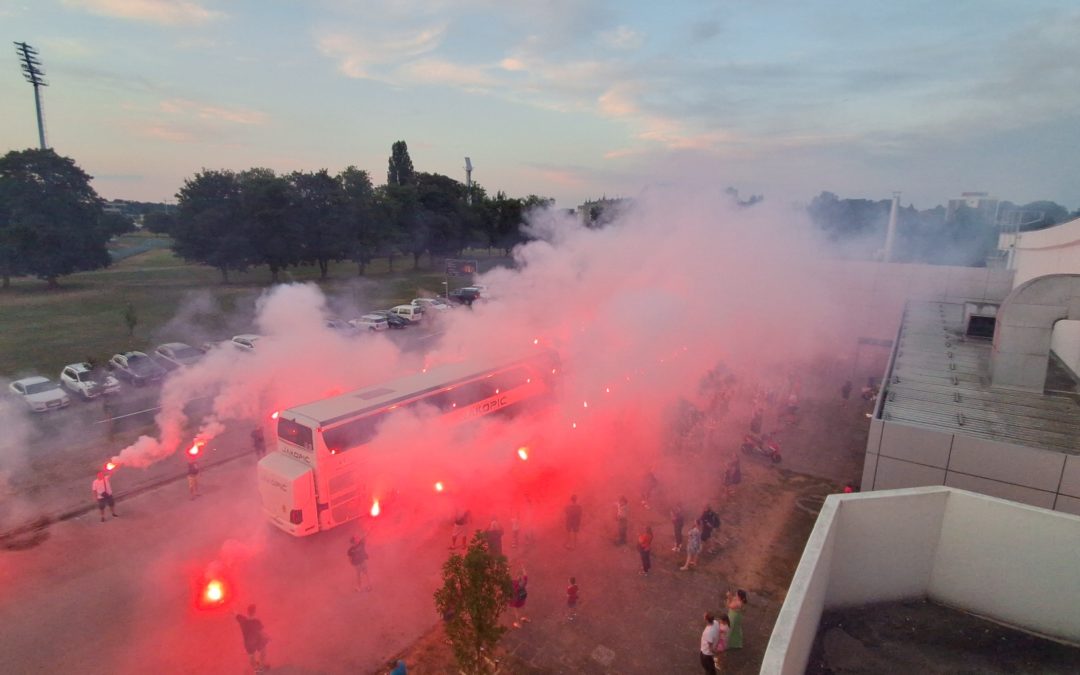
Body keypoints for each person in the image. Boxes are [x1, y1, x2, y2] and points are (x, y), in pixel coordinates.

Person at [235, 604, 269, 673]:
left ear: (247, 611)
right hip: (257, 641)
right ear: (254, 611)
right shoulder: (256, 622)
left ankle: (256, 669)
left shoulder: (242, 619)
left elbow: (236, 614)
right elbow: (261, 632)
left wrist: (234, 612)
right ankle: (261, 667)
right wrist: (267, 637)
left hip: (248, 643)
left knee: (251, 656)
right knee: (263, 652)